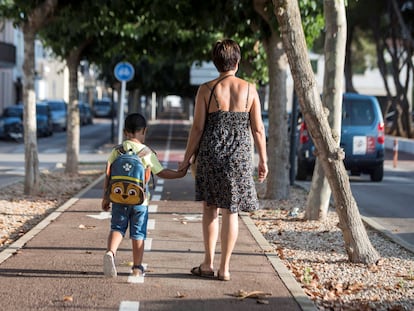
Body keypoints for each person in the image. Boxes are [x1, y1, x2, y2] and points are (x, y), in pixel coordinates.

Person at [179, 39, 268, 281]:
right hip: (239, 157)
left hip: (211, 154)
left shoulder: (206, 90)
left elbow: (197, 128)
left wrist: (187, 159)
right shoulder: (250, 89)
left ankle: (207, 263)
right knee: (232, 210)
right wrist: (263, 160)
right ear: (237, 62)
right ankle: (225, 268)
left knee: (210, 207)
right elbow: (258, 129)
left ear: (215, 63)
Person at [101, 112, 186, 278]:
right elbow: (161, 172)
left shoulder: (117, 151)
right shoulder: (146, 153)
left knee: (117, 228)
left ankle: (111, 252)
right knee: (138, 233)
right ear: (144, 131)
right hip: (140, 201)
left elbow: (108, 174)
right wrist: (179, 174)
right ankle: (137, 267)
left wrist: (106, 196)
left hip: (118, 198)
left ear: (125, 131)